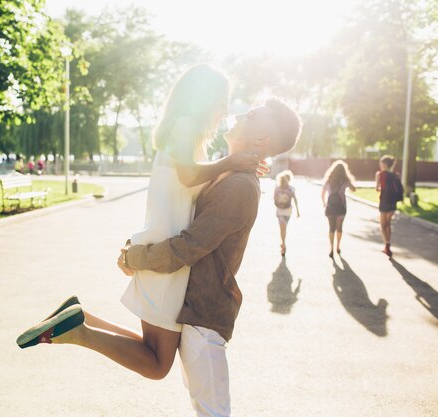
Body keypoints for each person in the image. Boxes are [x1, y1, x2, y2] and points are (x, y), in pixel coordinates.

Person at [16, 64, 263, 381]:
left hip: (163, 255)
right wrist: (230, 162)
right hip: (167, 263)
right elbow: (188, 177)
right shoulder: (184, 126)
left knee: (153, 351)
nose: (225, 110)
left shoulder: (183, 134)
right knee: (157, 364)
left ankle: (80, 319)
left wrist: (236, 165)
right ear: (202, 98)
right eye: (222, 100)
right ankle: (79, 330)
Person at [119, 98, 301, 416]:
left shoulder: (240, 187)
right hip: (193, 314)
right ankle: (81, 325)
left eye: (253, 115)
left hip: (204, 320)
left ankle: (79, 327)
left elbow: (188, 246)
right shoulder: (229, 174)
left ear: (262, 140)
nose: (241, 113)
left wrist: (137, 258)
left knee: (213, 412)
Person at [321, 160, 356, 258]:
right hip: (342, 207)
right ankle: (338, 246)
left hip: (330, 207)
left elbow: (322, 193)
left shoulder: (328, 180)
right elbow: (354, 189)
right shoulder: (345, 181)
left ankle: (331, 248)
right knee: (339, 228)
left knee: (331, 228)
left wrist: (324, 203)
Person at [375, 155, 403, 257]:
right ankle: (388, 244)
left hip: (384, 202)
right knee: (388, 223)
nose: (380, 165)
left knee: (383, 225)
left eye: (381, 163)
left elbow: (377, 188)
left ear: (384, 164)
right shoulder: (396, 175)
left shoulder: (380, 174)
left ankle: (386, 245)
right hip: (393, 202)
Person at [273, 170, 299, 256]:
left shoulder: (279, 188)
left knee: (283, 228)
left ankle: (283, 242)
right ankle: (283, 244)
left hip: (285, 210)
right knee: (283, 228)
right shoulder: (288, 188)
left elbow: (274, 199)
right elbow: (295, 199)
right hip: (284, 210)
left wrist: (298, 211)